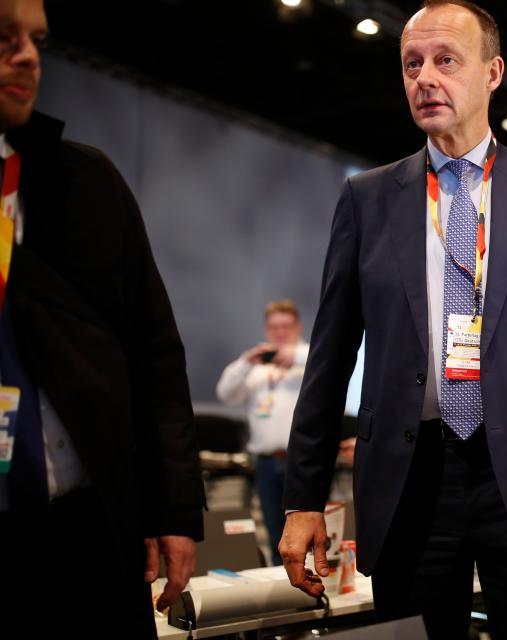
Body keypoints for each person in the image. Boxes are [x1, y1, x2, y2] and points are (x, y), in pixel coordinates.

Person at [279, 1, 507, 638]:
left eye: (446, 61)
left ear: (493, 73)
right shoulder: (367, 199)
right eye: (412, 64)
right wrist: (302, 498)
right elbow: (330, 360)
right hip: (408, 475)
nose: (425, 78)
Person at [0, 0, 204, 635]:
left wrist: (171, 507)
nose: (28, 55)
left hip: (87, 530)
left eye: (35, 39)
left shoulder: (87, 182)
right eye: (4, 36)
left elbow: (155, 355)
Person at [217, 299, 308, 565]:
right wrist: (246, 361)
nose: (280, 332)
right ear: (267, 329)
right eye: (274, 327)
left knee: (307, 530)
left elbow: (329, 364)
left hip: (301, 461)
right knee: (273, 533)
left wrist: (295, 357)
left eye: (285, 326)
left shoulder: (309, 356)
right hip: (266, 463)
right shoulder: (256, 366)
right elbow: (226, 395)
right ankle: (283, 591)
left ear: (297, 326)